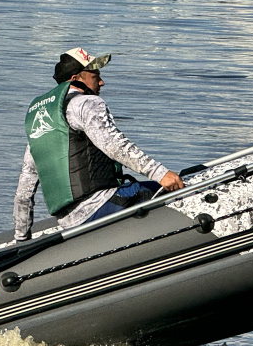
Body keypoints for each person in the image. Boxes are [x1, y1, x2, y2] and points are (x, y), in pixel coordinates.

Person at [13, 47, 184, 242]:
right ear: (76, 79)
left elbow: (24, 192)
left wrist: (21, 237)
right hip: (101, 205)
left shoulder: (42, 126)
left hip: (69, 221)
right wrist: (159, 173)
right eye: (95, 77)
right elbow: (114, 145)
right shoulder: (87, 104)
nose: (102, 82)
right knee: (180, 191)